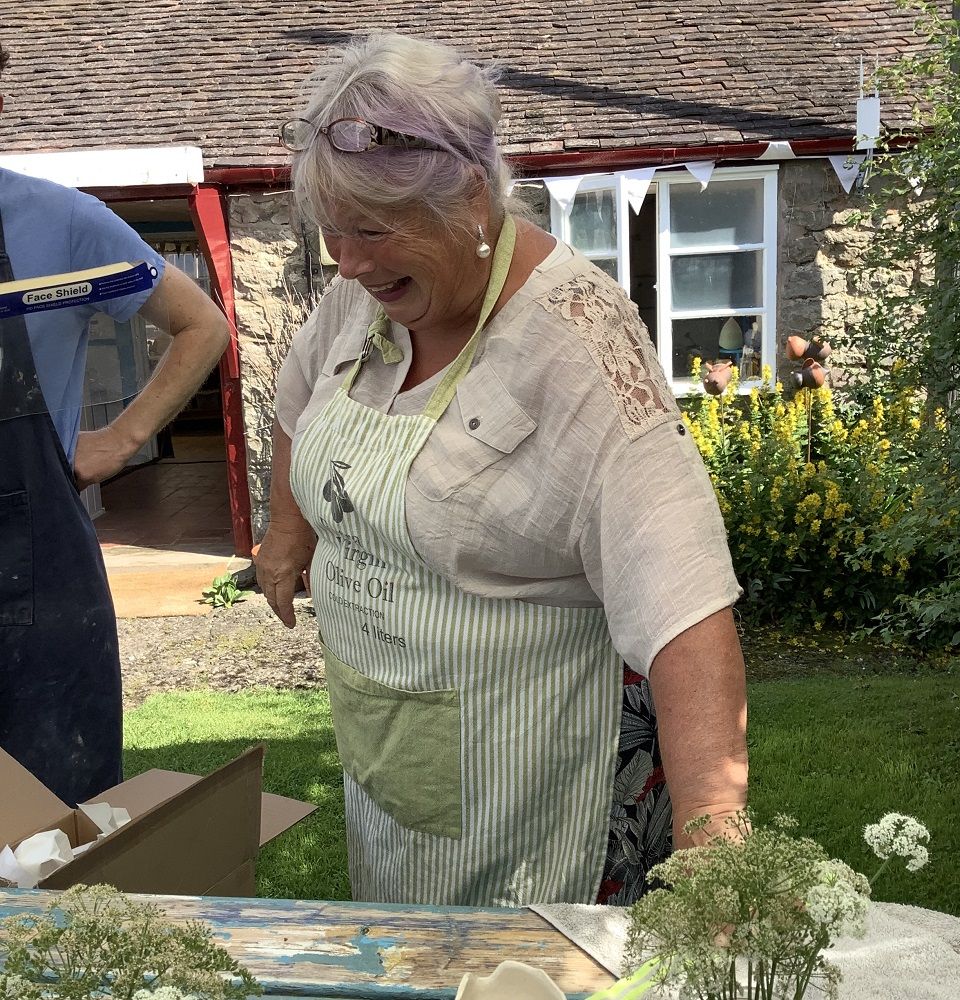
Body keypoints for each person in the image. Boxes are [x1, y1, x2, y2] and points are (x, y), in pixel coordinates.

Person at [256, 32, 748, 907]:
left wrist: (715, 829)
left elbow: (683, 596)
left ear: (472, 201)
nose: (349, 261)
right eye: (333, 234)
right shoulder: (366, 293)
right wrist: (287, 530)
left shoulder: (581, 346)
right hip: (399, 755)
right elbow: (299, 401)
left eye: (370, 231)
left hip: (539, 776)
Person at [0, 40, 231, 805]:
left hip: (34, 586)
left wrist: (122, 438)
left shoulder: (61, 222)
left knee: (50, 838)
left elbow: (202, 325)